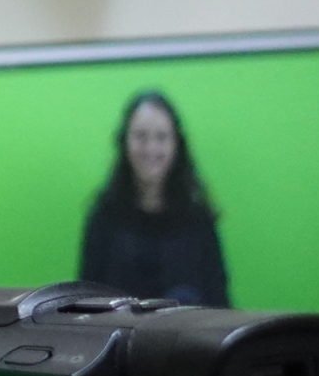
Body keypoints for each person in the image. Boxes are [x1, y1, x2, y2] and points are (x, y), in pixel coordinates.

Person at [77, 90, 231, 306]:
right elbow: (86, 303)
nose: (151, 148)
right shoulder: (104, 217)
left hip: (189, 339)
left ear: (176, 144)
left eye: (161, 137)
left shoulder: (199, 220)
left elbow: (219, 305)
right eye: (140, 136)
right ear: (124, 142)